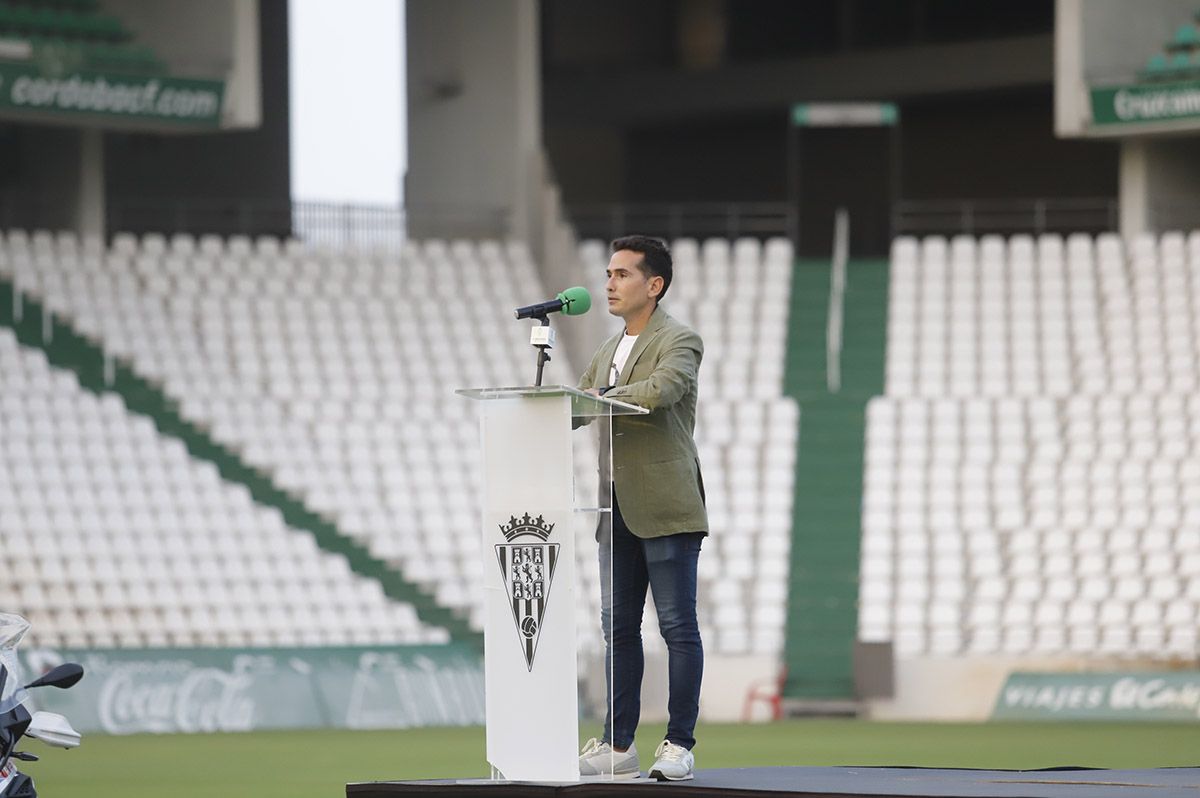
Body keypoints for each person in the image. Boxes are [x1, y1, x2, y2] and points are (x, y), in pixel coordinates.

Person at [575, 235, 707, 782]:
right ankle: (618, 745)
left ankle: (679, 744)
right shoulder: (606, 351)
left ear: (653, 286)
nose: (609, 283)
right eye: (608, 274)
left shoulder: (681, 339)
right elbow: (578, 402)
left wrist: (597, 400)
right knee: (618, 629)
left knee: (677, 627)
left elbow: (664, 389)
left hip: (667, 506)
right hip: (614, 509)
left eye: (622, 274)